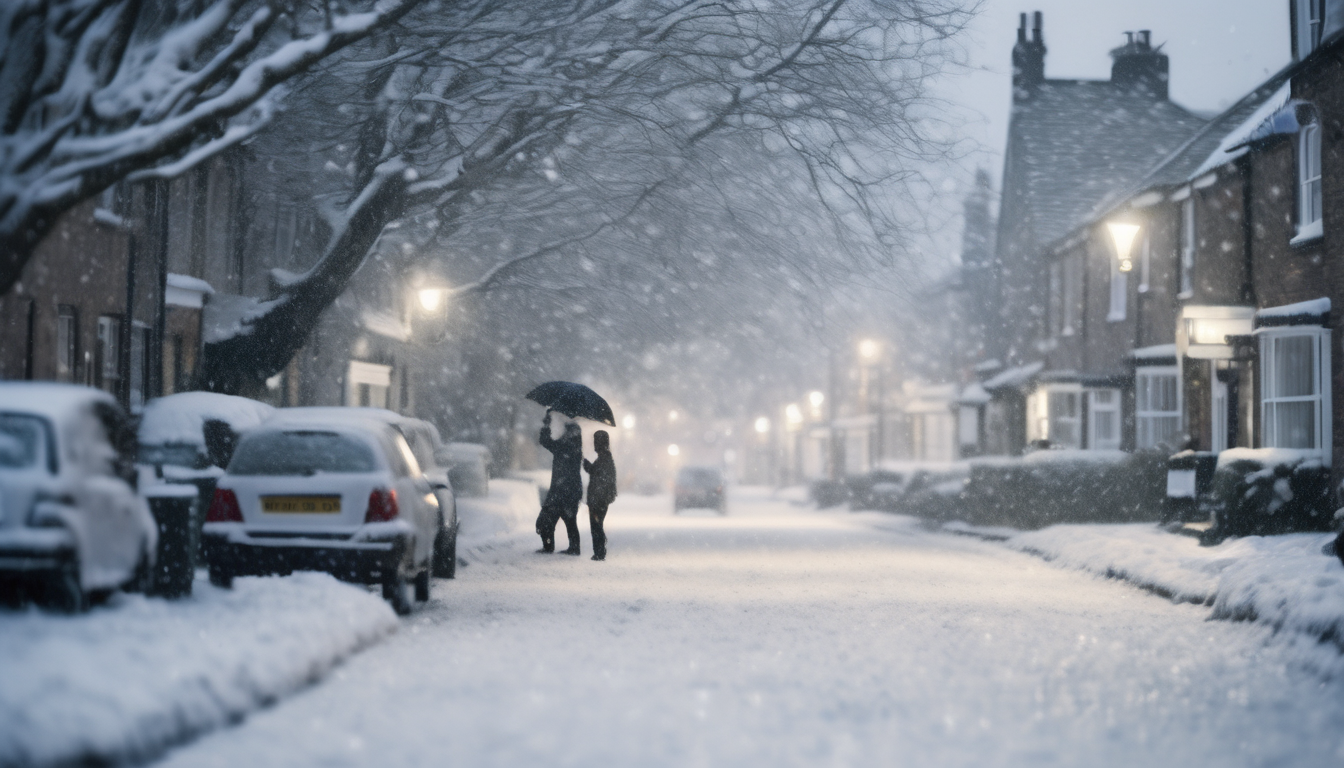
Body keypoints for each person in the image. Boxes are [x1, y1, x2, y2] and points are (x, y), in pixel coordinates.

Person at [536, 411, 583, 554]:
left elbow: (545, 441)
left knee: (549, 521)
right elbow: (546, 441)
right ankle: (570, 548)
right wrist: (547, 423)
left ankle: (553, 546)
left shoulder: (566, 448)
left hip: (563, 491)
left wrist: (546, 423)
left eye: (567, 432)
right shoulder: (567, 448)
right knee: (564, 521)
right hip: (565, 491)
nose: (564, 434)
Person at [583, 430, 618, 561]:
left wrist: (589, 467)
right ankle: (599, 551)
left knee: (596, 525)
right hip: (600, 498)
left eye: (596, 441)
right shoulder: (606, 457)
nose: (594, 445)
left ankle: (599, 552)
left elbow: (599, 476)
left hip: (598, 499)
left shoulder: (604, 458)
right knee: (597, 525)